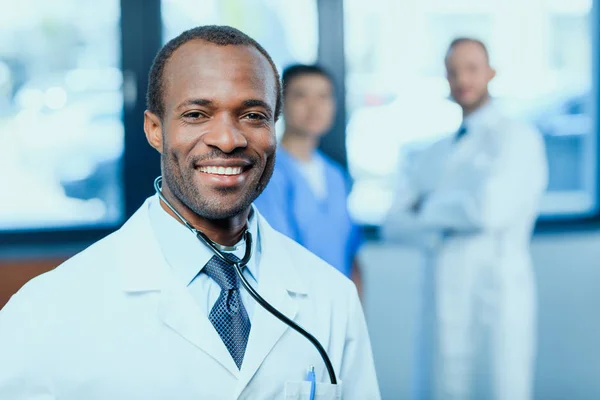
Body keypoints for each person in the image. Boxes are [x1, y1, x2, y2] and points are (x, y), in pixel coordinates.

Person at [0, 26, 380, 399]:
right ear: (154, 130)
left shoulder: (332, 298)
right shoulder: (47, 310)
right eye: (197, 114)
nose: (228, 140)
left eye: (252, 115)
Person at [382, 38, 548, 400]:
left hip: (496, 296)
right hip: (443, 296)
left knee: (500, 386)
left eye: (471, 68)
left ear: (491, 72)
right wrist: (451, 215)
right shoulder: (434, 151)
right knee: (442, 387)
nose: (462, 79)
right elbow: (393, 222)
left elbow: (488, 211)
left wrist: (426, 209)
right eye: (453, 71)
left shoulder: (517, 138)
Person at [254, 64, 364, 288]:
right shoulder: (267, 173)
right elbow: (277, 255)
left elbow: (350, 253)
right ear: (279, 104)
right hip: (293, 305)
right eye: (301, 96)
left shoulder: (336, 176)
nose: (314, 108)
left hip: (338, 303)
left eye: (323, 97)